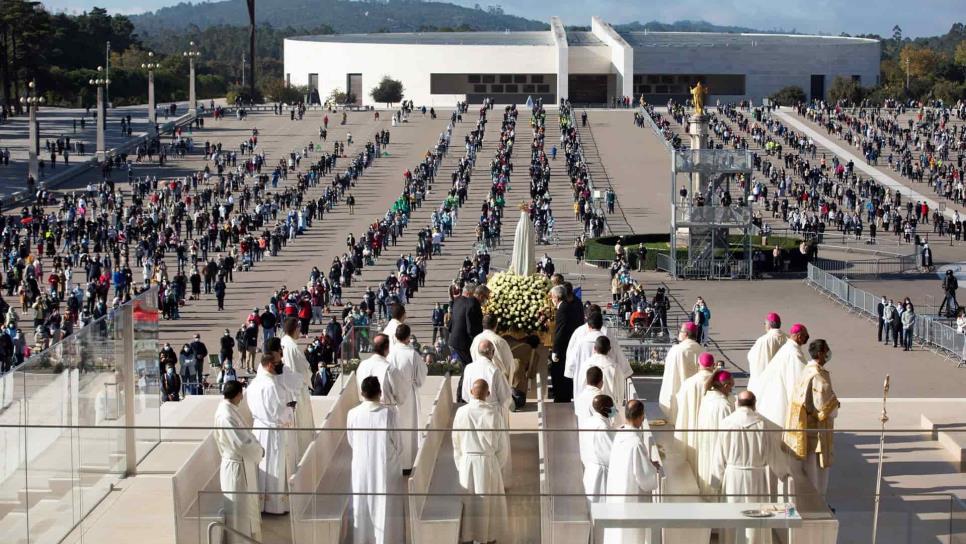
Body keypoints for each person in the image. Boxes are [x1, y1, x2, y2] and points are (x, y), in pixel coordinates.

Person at [711, 391, 790, 544]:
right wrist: (784, 473)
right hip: (756, 478)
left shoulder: (727, 423)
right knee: (756, 518)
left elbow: (719, 455)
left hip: (733, 478)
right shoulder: (761, 424)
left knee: (732, 516)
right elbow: (773, 453)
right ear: (754, 404)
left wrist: (714, 482)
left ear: (737, 403)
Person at [452, 379, 510, 544]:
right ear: (488, 394)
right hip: (488, 462)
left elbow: (455, 441)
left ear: (471, 392)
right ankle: (487, 537)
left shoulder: (462, 412)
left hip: (467, 461)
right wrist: (494, 464)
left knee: (469, 504)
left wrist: (461, 463)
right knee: (488, 506)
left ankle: (468, 537)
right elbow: (502, 447)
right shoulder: (494, 414)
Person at [347, 376, 404, 544]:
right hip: (384, 466)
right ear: (380, 393)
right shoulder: (390, 414)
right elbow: (398, 444)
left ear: (362, 393)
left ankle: (362, 539)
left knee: (362, 502)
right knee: (385, 505)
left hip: (361, 466)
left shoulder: (352, 413)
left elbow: (351, 440)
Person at [784, 339, 840, 500]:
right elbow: (823, 406)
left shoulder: (806, 371)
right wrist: (835, 405)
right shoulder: (818, 375)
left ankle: (809, 500)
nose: (828, 354)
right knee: (817, 473)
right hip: (817, 431)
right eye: (827, 350)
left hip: (806, 427)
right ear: (821, 353)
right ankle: (816, 502)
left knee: (809, 469)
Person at [213, 381, 264, 543]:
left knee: (244, 509)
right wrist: (259, 451)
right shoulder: (226, 416)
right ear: (238, 394)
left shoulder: (231, 410)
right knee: (237, 510)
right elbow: (241, 443)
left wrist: (256, 446)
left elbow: (246, 434)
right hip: (235, 468)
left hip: (242, 464)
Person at [604, 399, 660, 544]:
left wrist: (647, 463)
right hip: (631, 496)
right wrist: (653, 468)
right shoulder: (635, 443)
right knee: (631, 536)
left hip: (617, 491)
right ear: (641, 416)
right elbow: (645, 478)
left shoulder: (620, 434)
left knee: (618, 535)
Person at [247, 353, 296, 514]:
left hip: (259, 429)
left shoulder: (254, 383)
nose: (280, 365)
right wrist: (291, 410)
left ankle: (260, 503)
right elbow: (278, 413)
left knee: (262, 466)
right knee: (274, 465)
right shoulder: (271, 386)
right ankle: (274, 505)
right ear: (269, 365)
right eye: (277, 363)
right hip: (272, 432)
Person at [748, 323, 809, 427]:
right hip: (783, 395)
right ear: (799, 336)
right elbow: (800, 378)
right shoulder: (794, 354)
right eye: (805, 336)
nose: (806, 339)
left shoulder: (787, 348)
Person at [386, 323, 427, 473]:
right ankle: (408, 463)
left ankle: (396, 462)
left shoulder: (390, 353)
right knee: (409, 428)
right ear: (408, 337)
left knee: (397, 427)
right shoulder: (412, 354)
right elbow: (422, 373)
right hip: (409, 394)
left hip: (393, 395)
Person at [565, 312, 632, 401]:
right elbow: (620, 360)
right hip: (605, 388)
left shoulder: (580, 342)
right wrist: (627, 372)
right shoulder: (607, 340)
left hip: (584, 388)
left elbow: (570, 365)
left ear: (588, 325)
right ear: (601, 325)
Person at [672, 352, 715, 476]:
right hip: (710, 427)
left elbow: (680, 401)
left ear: (699, 364)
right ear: (713, 365)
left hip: (691, 425)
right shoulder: (717, 383)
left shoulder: (688, 383)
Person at [695, 369, 735, 498]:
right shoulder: (724, 406)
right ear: (725, 385)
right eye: (731, 387)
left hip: (706, 442)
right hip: (717, 444)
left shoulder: (707, 399)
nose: (731, 390)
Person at [280, 318, 316, 457]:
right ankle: (304, 447)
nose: (300, 331)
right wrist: (308, 375)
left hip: (288, 386)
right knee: (302, 418)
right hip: (298, 388)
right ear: (294, 329)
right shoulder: (293, 348)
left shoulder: (283, 342)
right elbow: (304, 368)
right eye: (298, 329)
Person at [658, 322, 703, 419]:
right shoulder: (702, 351)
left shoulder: (676, 350)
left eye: (680, 331)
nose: (679, 333)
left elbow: (669, 374)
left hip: (678, 394)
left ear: (685, 334)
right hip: (695, 394)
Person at [449, 284, 483, 402]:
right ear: (469, 293)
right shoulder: (470, 303)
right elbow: (470, 327)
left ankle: (461, 395)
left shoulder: (457, 301)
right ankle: (461, 396)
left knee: (467, 366)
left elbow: (451, 322)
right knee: (469, 367)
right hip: (463, 341)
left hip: (455, 339)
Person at [579, 394, 615, 503]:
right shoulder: (602, 427)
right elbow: (612, 452)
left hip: (590, 470)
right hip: (602, 474)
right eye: (611, 406)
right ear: (605, 409)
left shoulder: (588, 422)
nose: (614, 408)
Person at [550, 284, 583, 403]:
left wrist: (555, 351)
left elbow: (560, 331)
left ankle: (561, 396)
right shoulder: (568, 306)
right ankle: (564, 395)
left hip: (563, 347)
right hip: (570, 345)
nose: (551, 299)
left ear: (556, 297)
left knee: (559, 372)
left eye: (552, 297)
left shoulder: (562, 308)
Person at [356, 333, 406, 405]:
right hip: (385, 411)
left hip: (365, 408)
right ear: (387, 348)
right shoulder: (390, 369)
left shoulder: (362, 365)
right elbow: (400, 396)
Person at [469, 314, 515, 381]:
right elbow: (509, 364)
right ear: (496, 325)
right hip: (497, 380)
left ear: (482, 324)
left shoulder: (476, 339)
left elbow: (473, 357)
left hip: (480, 379)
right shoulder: (500, 341)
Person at [746, 313, 788, 383]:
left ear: (769, 325)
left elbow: (752, 356)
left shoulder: (763, 340)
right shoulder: (788, 338)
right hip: (783, 377)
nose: (764, 326)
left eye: (765, 323)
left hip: (768, 379)